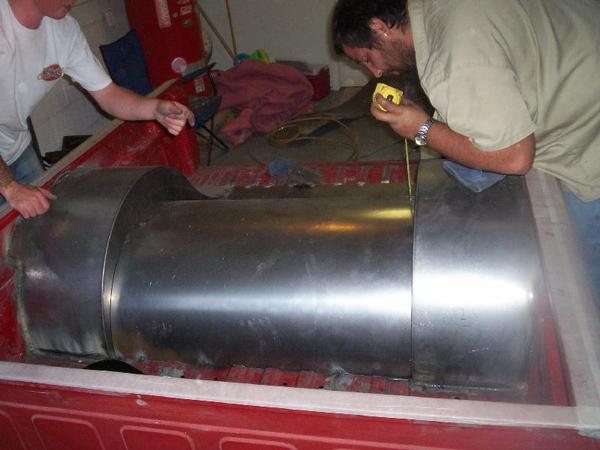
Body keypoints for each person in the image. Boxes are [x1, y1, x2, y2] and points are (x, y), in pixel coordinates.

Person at [332, 0, 600, 303]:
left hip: (588, 136)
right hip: (581, 43)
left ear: (379, 28)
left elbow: (514, 157)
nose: (377, 72)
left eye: (368, 58)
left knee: (581, 291)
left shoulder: (455, 58)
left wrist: (422, 128)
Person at [0, 0, 195, 218]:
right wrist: (9, 187)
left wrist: (155, 109)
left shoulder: (64, 31)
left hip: (16, 145)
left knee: (39, 224)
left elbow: (108, 94)